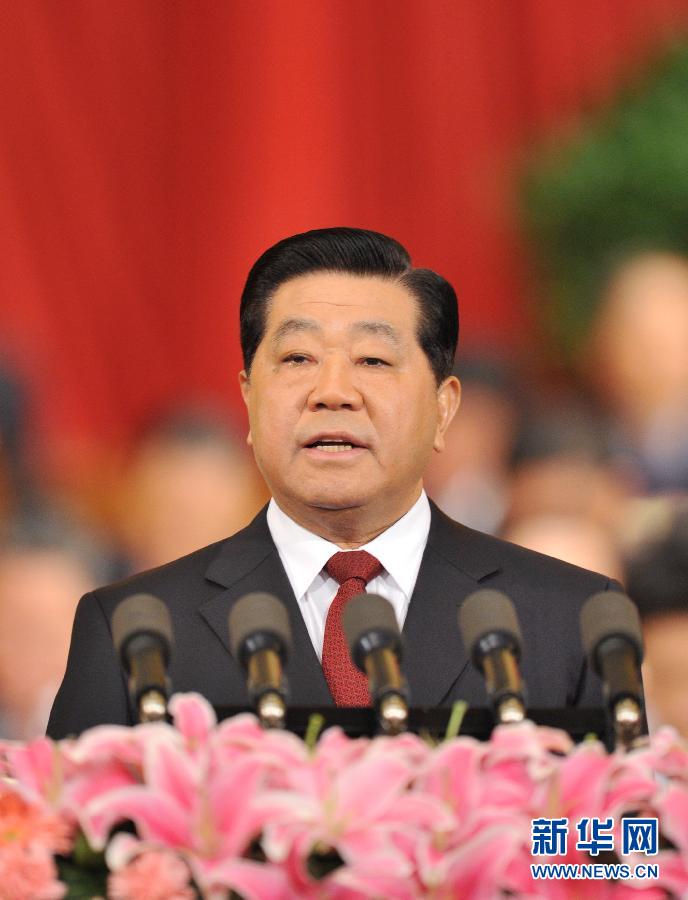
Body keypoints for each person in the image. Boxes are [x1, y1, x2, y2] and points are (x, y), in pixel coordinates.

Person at [48, 228, 620, 738]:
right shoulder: (134, 630)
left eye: (373, 360)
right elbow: (77, 827)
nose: (332, 392)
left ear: (444, 409)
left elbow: (615, 829)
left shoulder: (569, 617)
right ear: (248, 398)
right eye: (298, 358)